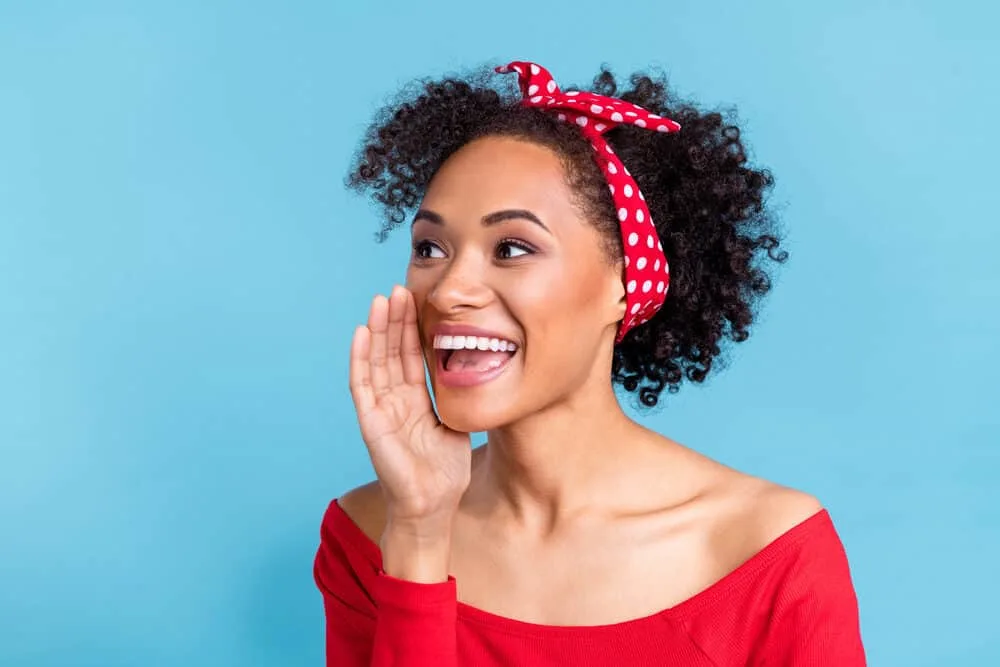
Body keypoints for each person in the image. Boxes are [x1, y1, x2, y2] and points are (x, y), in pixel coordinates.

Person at [313, 60, 866, 666]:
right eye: (430, 248)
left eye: (513, 248)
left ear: (627, 286)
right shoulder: (368, 536)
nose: (447, 292)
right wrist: (418, 532)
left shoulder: (769, 553)